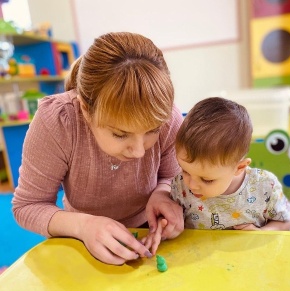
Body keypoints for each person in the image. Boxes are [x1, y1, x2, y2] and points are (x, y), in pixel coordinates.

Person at [12, 32, 184, 265]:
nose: (139, 152)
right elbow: (28, 205)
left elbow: (172, 176)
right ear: (85, 108)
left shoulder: (168, 117)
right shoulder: (58, 121)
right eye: (120, 134)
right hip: (78, 237)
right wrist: (84, 226)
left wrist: (163, 194)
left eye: (152, 131)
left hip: (149, 233)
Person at [170, 97, 290, 231]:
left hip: (250, 251)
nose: (191, 185)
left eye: (207, 180)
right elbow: (170, 222)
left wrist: (261, 233)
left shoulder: (265, 186)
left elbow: (285, 220)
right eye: (185, 170)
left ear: (239, 168)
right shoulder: (180, 186)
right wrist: (168, 225)